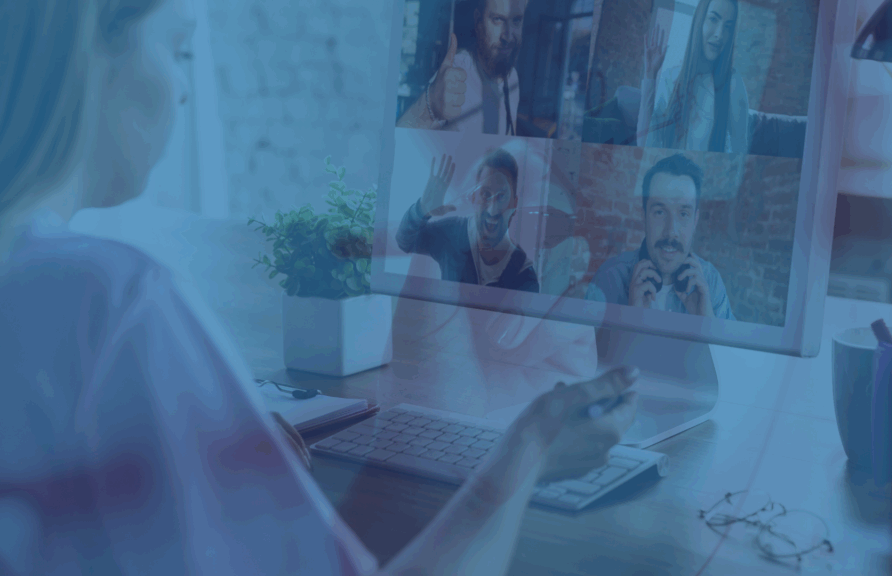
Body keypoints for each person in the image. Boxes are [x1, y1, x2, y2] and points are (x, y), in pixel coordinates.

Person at [0, 1, 639, 575]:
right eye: (177, 49)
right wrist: (527, 450)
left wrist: (201, 456)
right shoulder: (111, 301)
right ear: (86, 53)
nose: (186, 88)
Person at [585, 154, 735, 319]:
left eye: (683, 213)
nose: (671, 231)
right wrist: (631, 318)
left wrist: (707, 321)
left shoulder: (711, 282)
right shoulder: (610, 278)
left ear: (695, 220)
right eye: (659, 212)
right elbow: (582, 344)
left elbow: (728, 346)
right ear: (644, 216)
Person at [396, 149, 540, 292]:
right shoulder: (452, 232)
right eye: (485, 194)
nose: (493, 210)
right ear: (473, 197)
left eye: (502, 196)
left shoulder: (525, 277)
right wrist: (421, 209)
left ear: (514, 204)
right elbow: (405, 242)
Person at [396, 0, 526, 135]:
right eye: (497, 19)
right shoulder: (456, 71)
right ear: (478, 21)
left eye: (516, 20)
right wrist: (430, 105)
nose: (508, 37)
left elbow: (510, 139)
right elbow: (396, 145)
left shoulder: (512, 77)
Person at [636, 0, 749, 154]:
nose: (719, 34)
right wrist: (650, 76)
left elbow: (740, 154)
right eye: (713, 19)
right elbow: (645, 144)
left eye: (728, 26)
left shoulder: (733, 84)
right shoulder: (671, 77)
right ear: (700, 20)